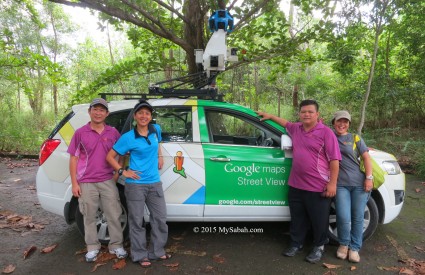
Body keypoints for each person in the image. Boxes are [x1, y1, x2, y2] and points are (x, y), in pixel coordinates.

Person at [257, 99, 341, 263]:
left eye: (310, 112)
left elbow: (335, 161)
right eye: (303, 112)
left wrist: (332, 184)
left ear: (317, 114)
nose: (306, 114)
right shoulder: (297, 129)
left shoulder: (326, 133)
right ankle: (296, 243)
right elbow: (286, 123)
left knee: (319, 219)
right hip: (296, 184)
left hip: (318, 186)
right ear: (300, 114)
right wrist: (270, 116)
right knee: (297, 218)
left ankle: (319, 247)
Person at [106, 99, 170, 268]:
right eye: (140, 113)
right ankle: (140, 254)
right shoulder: (128, 137)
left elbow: (158, 143)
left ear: (150, 116)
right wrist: (122, 171)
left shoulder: (156, 129)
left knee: (160, 219)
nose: (144, 116)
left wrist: (160, 155)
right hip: (136, 185)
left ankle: (157, 251)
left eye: (147, 113)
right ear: (135, 116)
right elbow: (110, 157)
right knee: (137, 221)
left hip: (155, 183)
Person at [67, 98, 128, 263]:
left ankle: (116, 246)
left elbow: (121, 154)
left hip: (108, 180)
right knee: (89, 216)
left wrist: (117, 173)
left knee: (114, 214)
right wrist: (74, 183)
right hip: (86, 182)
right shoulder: (80, 132)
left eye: (102, 110)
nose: (98, 112)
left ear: (107, 114)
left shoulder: (113, 133)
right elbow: (73, 159)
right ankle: (92, 248)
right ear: (90, 111)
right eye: (95, 109)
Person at [332, 110, 373, 263]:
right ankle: (343, 244)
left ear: (349, 124)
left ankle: (354, 248)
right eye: (339, 121)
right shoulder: (329, 136)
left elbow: (366, 158)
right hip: (340, 184)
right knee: (343, 217)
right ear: (334, 122)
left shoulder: (355, 138)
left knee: (357, 218)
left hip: (359, 184)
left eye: (346, 121)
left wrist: (369, 178)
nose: (342, 124)